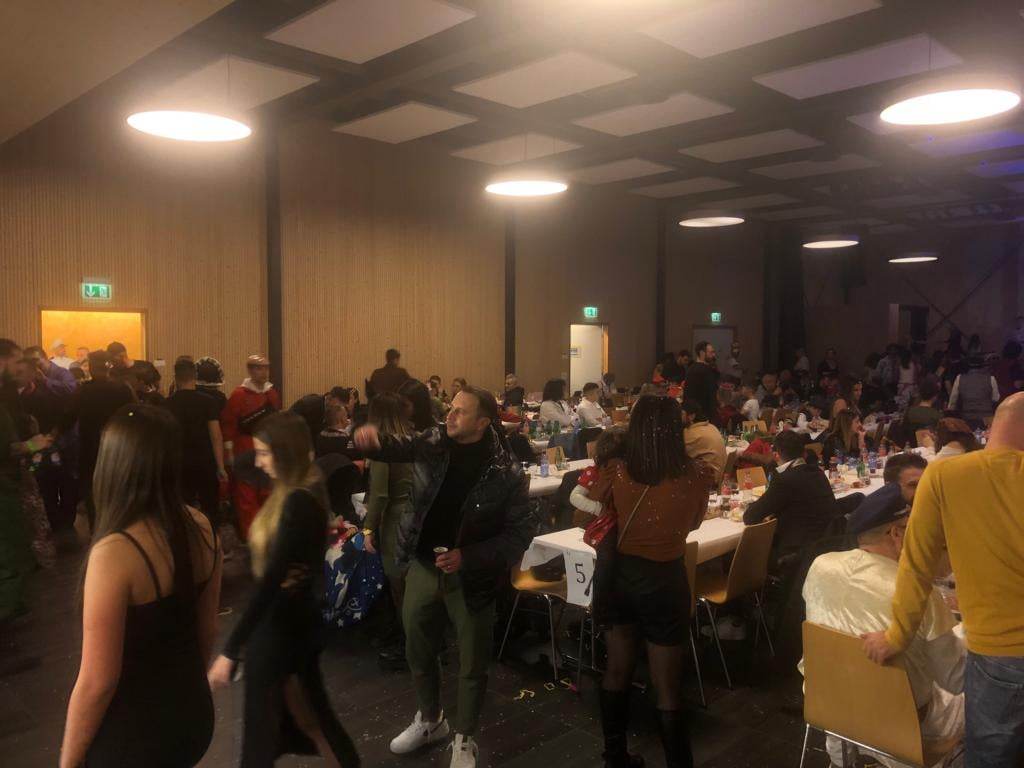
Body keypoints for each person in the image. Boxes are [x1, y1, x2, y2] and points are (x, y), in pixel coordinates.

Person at [353, 387, 531, 768]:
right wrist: (374, 442)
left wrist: (468, 557)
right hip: (422, 565)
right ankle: (431, 719)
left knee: (472, 661)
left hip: (472, 579)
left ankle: (464, 738)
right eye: (451, 408)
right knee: (417, 648)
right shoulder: (434, 441)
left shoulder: (507, 473)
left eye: (460, 412)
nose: (449, 415)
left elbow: (518, 536)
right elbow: (400, 446)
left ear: (482, 423)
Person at [863, 394, 1024, 768]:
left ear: (995, 426)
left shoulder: (944, 475)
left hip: (1000, 654)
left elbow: (916, 565)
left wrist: (896, 637)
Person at [60, 405, 222, 768]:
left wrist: (68, 762)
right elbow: (208, 631)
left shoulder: (114, 552)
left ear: (113, 464)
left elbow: (98, 681)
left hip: (135, 736)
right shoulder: (202, 527)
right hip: (193, 716)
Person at [208, 412, 360, 768]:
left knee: (290, 726)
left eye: (265, 453)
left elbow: (271, 581)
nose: (258, 462)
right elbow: (243, 465)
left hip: (282, 629)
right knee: (310, 719)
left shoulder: (298, 502)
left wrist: (230, 650)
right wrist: (270, 434)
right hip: (289, 623)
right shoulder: (301, 484)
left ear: (285, 455)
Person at [587, 395, 713, 768]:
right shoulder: (697, 475)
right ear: (676, 429)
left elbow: (593, 506)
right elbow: (695, 523)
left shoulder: (617, 471)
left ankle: (614, 756)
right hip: (665, 578)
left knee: (617, 669)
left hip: (620, 575)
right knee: (668, 686)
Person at [804, 483, 964, 768]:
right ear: (896, 534)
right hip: (901, 731)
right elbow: (955, 678)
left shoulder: (819, 566)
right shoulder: (916, 594)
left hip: (830, 713)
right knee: (980, 688)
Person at [362, 393, 415, 669]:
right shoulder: (411, 439)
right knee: (415, 588)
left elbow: (380, 495)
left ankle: (411, 649)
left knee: (400, 589)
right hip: (417, 515)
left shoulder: (383, 446)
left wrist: (368, 528)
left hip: (395, 521)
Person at [744, 431, 837, 564]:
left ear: (776, 455)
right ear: (804, 453)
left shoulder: (784, 480)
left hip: (795, 555)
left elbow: (750, 517)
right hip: (824, 548)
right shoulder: (818, 473)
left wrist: (749, 506)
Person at [221, 354, 282, 539]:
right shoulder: (239, 395)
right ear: (250, 370)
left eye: (266, 368)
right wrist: (229, 454)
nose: (264, 372)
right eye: (259, 368)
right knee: (246, 497)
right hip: (244, 451)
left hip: (266, 451)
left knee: (267, 494)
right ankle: (252, 538)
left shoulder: (271, 394)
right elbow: (228, 426)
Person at [72, 350, 135, 525]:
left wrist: (54, 435)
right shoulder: (122, 388)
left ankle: (97, 529)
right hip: (118, 447)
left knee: (92, 491)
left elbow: (69, 416)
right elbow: (134, 414)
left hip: (90, 448)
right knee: (118, 490)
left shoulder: (84, 390)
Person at [163, 358, 228, 523]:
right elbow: (216, 435)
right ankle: (211, 534)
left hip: (178, 462)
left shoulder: (166, 404)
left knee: (181, 508)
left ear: (176, 378)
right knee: (210, 507)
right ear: (195, 377)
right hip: (205, 461)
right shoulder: (208, 402)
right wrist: (221, 466)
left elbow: (163, 436)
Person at [569, 428, 627, 516]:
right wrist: (598, 509)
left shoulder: (628, 472)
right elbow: (574, 497)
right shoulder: (594, 472)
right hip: (602, 519)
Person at [681, 399, 726, 484]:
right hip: (721, 477)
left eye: (681, 414)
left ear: (691, 416)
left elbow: (675, 454)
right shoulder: (711, 426)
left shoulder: (692, 433)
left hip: (709, 481)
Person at [947, 356, 999, 429]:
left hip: (967, 416)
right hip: (986, 417)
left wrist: (951, 410)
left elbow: (953, 398)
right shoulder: (991, 378)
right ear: (983, 366)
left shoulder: (959, 378)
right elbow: (996, 398)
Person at [684, 341, 719, 423]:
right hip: (705, 416)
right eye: (711, 352)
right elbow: (712, 395)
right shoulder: (706, 371)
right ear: (702, 353)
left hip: (693, 415)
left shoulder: (691, 368)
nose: (714, 355)